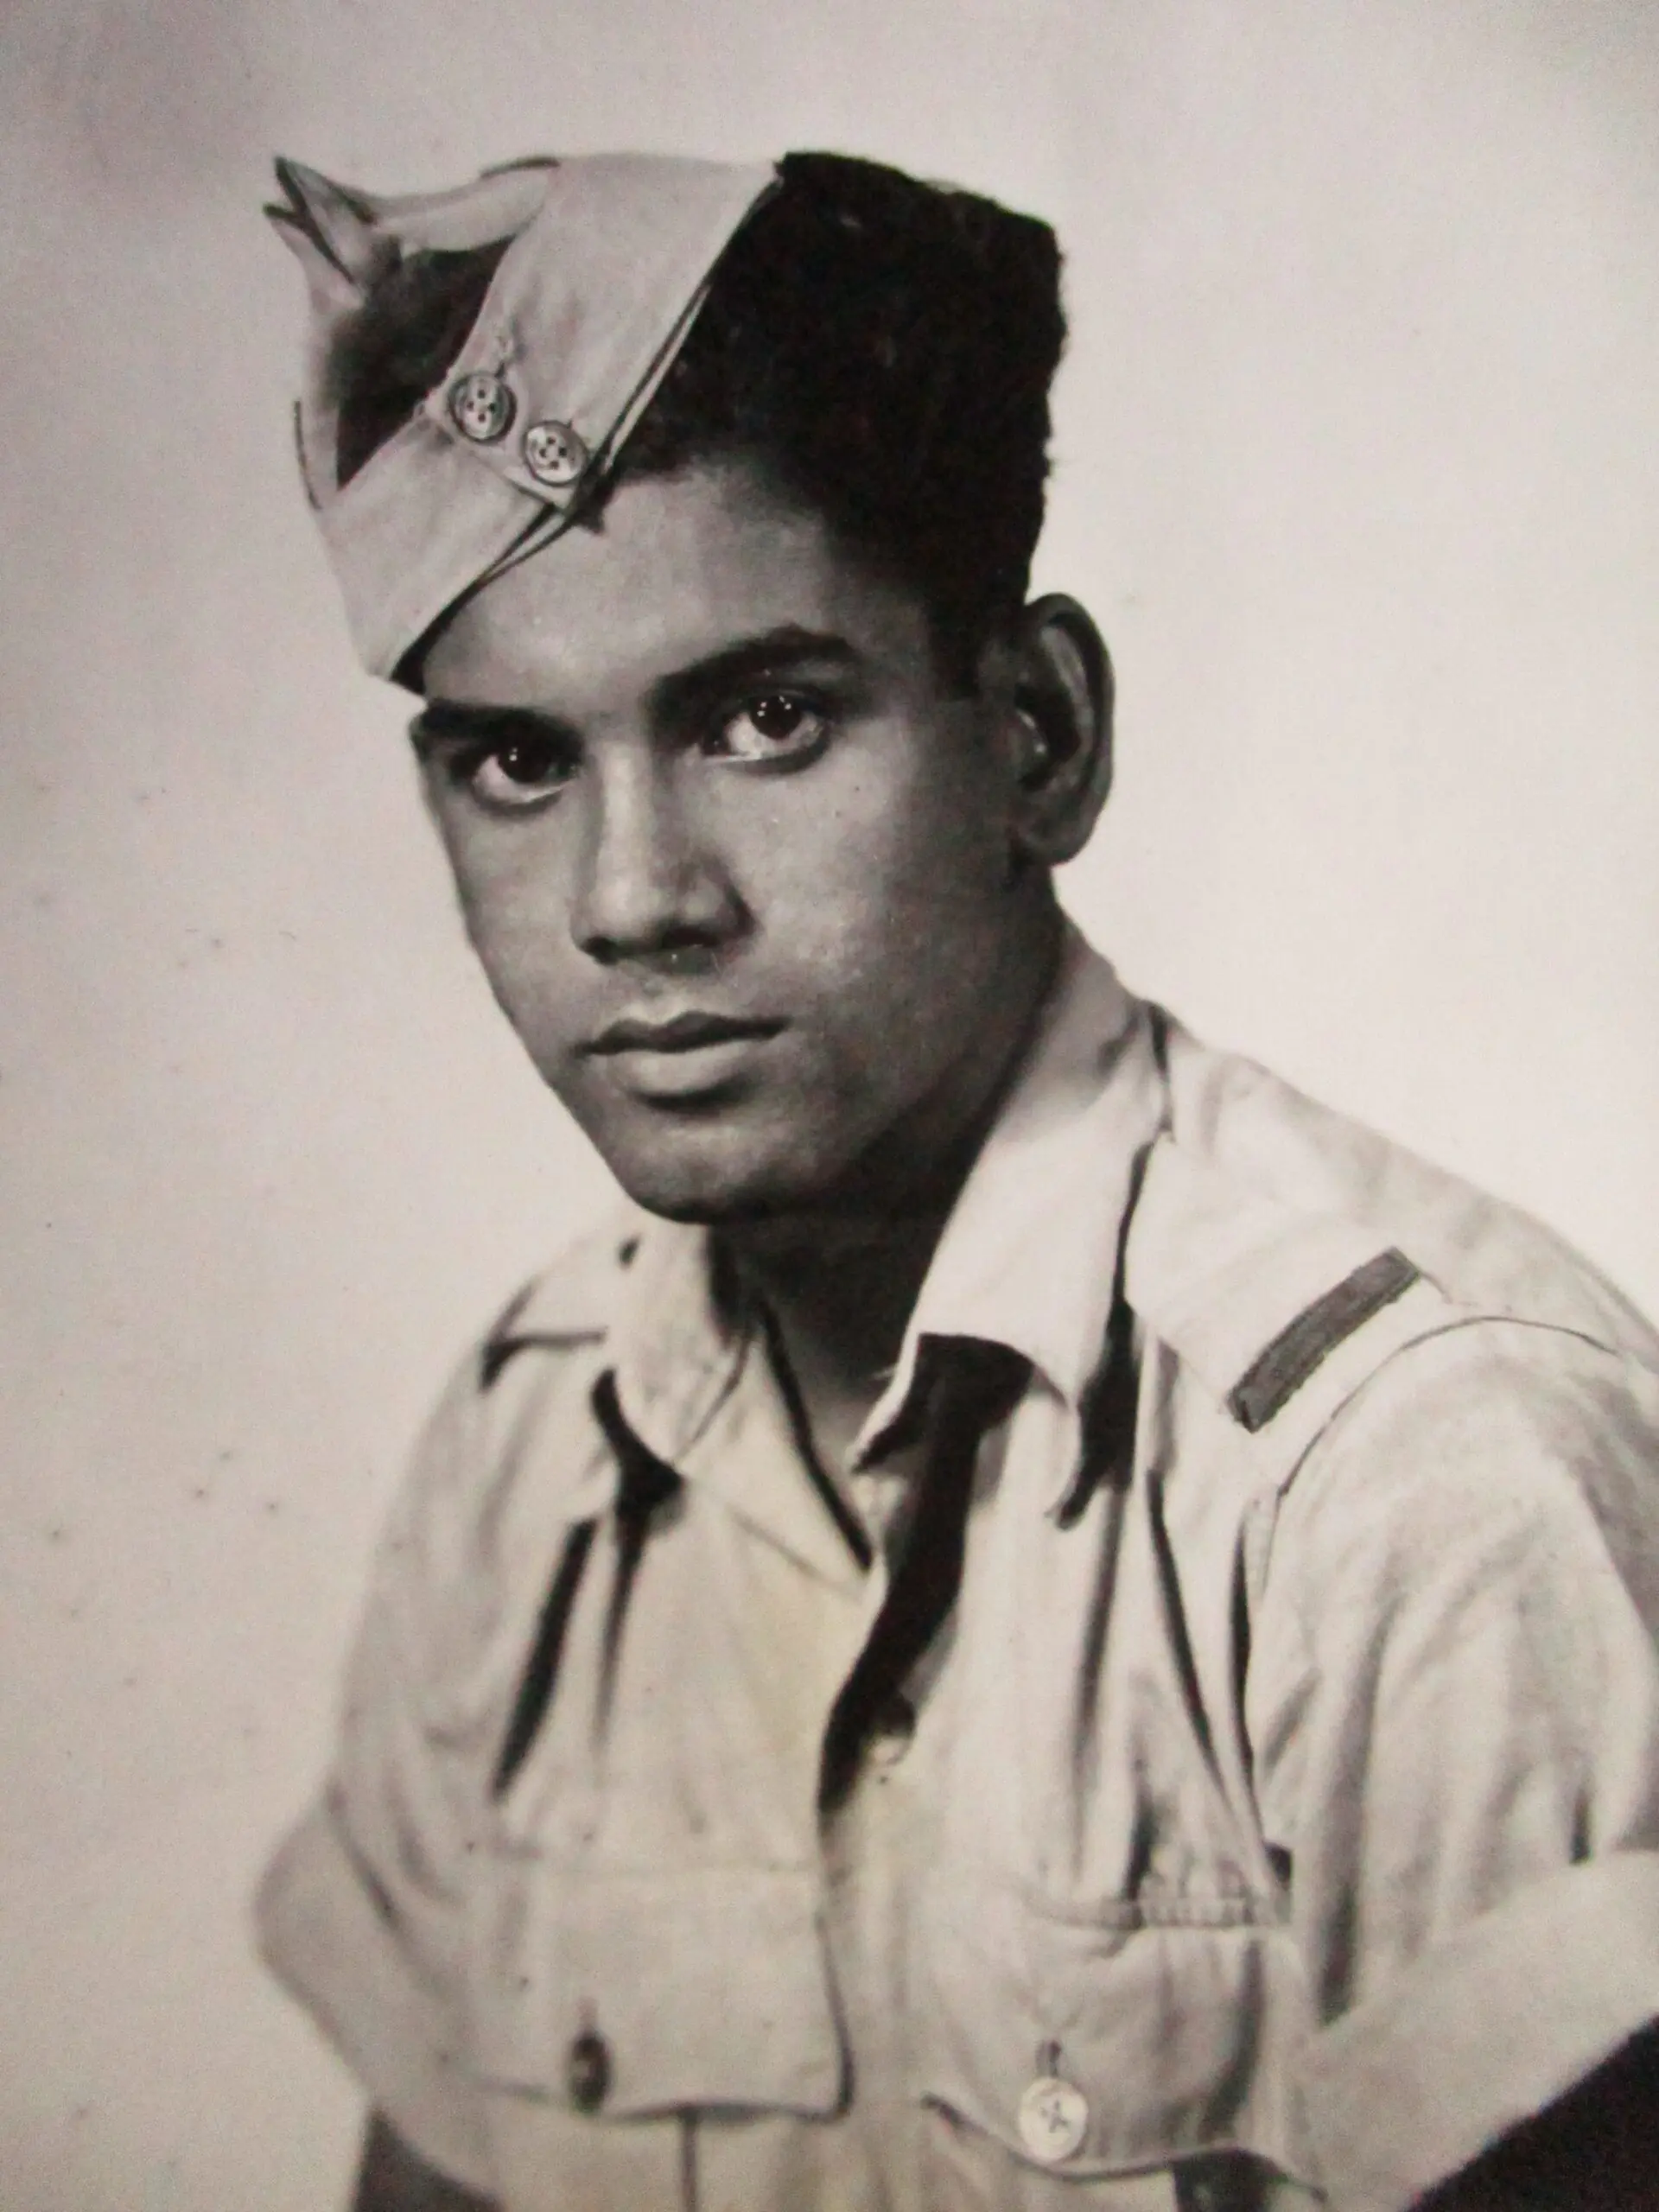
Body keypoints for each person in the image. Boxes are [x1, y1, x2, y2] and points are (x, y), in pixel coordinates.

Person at [256, 149, 1659, 2212]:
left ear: (1040, 731)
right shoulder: (526, 1438)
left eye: (762, 715)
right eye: (520, 762)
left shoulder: (1416, 1478)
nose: (634, 901)